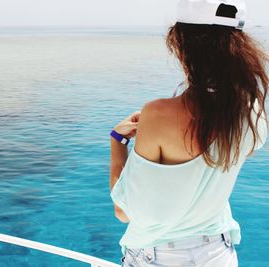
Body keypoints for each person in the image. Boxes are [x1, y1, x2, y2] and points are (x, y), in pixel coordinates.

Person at [109, 0, 268, 266]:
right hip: (219, 254)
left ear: (182, 45)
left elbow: (123, 212)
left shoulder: (158, 115)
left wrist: (117, 140)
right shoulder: (253, 115)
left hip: (158, 258)